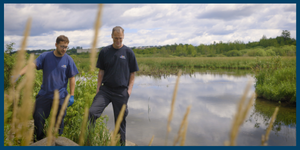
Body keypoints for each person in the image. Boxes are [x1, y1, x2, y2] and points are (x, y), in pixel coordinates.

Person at [16, 35, 79, 142]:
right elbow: (32, 65)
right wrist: (19, 74)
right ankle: (38, 141)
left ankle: (57, 141)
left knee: (58, 123)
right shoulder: (45, 56)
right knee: (38, 118)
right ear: (56, 45)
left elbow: (72, 78)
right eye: (62, 46)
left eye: (66, 47)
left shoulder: (68, 60)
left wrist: (72, 95)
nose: (64, 49)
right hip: (44, 95)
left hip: (61, 96)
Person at [88, 26, 139, 146]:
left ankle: (120, 145)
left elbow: (133, 73)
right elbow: (101, 72)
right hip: (105, 90)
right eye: (116, 38)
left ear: (123, 37)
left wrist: (129, 91)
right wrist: (98, 89)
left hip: (121, 91)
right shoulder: (105, 52)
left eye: (120, 38)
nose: (118, 40)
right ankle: (88, 140)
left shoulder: (128, 52)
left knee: (120, 121)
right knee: (92, 112)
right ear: (111, 36)